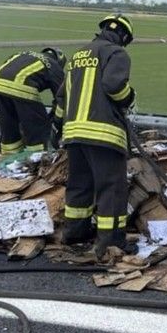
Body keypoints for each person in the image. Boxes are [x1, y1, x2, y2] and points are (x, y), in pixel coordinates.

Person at [53, 14, 136, 257]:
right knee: (112, 187)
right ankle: (110, 242)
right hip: (103, 133)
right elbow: (114, 86)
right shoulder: (116, 53)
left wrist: (58, 126)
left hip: (73, 134)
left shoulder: (78, 56)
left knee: (80, 184)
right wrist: (129, 98)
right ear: (123, 36)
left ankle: (74, 233)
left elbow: (61, 97)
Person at [0, 47, 66, 153]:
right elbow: (62, 97)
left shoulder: (23, 54)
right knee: (38, 130)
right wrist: (56, 120)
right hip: (21, 86)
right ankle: (38, 156)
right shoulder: (54, 65)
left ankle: (10, 158)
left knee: (9, 130)